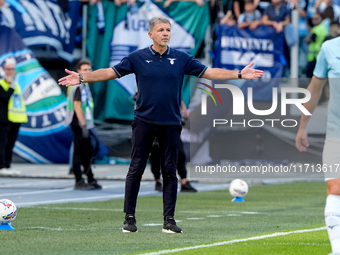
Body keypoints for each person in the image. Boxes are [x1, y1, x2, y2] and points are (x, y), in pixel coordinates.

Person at [58, 16, 263, 233]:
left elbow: (209, 72)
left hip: (171, 123)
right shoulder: (137, 58)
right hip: (144, 121)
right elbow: (110, 73)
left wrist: (239, 73)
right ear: (151, 34)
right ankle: (129, 218)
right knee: (136, 168)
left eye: (167, 30)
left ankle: (169, 220)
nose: (165, 33)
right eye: (161, 30)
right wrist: (82, 78)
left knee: (169, 170)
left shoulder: (182, 58)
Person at [295, 36, 340, 254]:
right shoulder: (329, 48)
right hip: (336, 131)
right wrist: (303, 125)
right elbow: (314, 89)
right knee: (335, 187)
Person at [64, 60, 102, 190]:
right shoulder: (78, 86)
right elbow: (77, 106)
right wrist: (83, 125)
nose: (88, 72)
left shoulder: (84, 85)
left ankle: (90, 178)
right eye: (84, 70)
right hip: (79, 123)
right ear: (78, 71)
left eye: (89, 69)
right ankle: (79, 180)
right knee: (79, 153)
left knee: (87, 152)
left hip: (85, 122)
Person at [150, 102, 197, 193]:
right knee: (156, 156)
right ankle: (158, 181)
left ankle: (184, 182)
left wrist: (183, 110)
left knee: (180, 154)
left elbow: (178, 98)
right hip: (154, 123)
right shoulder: (148, 90)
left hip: (170, 124)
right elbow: (138, 103)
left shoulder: (172, 89)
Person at [0, 60, 27, 175]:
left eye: (12, 69)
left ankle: (7, 165)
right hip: (3, 120)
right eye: (8, 69)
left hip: (15, 119)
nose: (10, 71)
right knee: (2, 144)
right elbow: (5, 97)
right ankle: (1, 166)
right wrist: (10, 85)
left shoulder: (16, 84)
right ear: (4, 70)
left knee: (11, 144)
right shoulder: (2, 83)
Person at [305, 12, 328, 77]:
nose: (314, 20)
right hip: (316, 55)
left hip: (316, 56)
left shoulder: (318, 28)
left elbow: (312, 38)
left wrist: (307, 39)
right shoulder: (321, 28)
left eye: (316, 18)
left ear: (321, 19)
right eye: (313, 19)